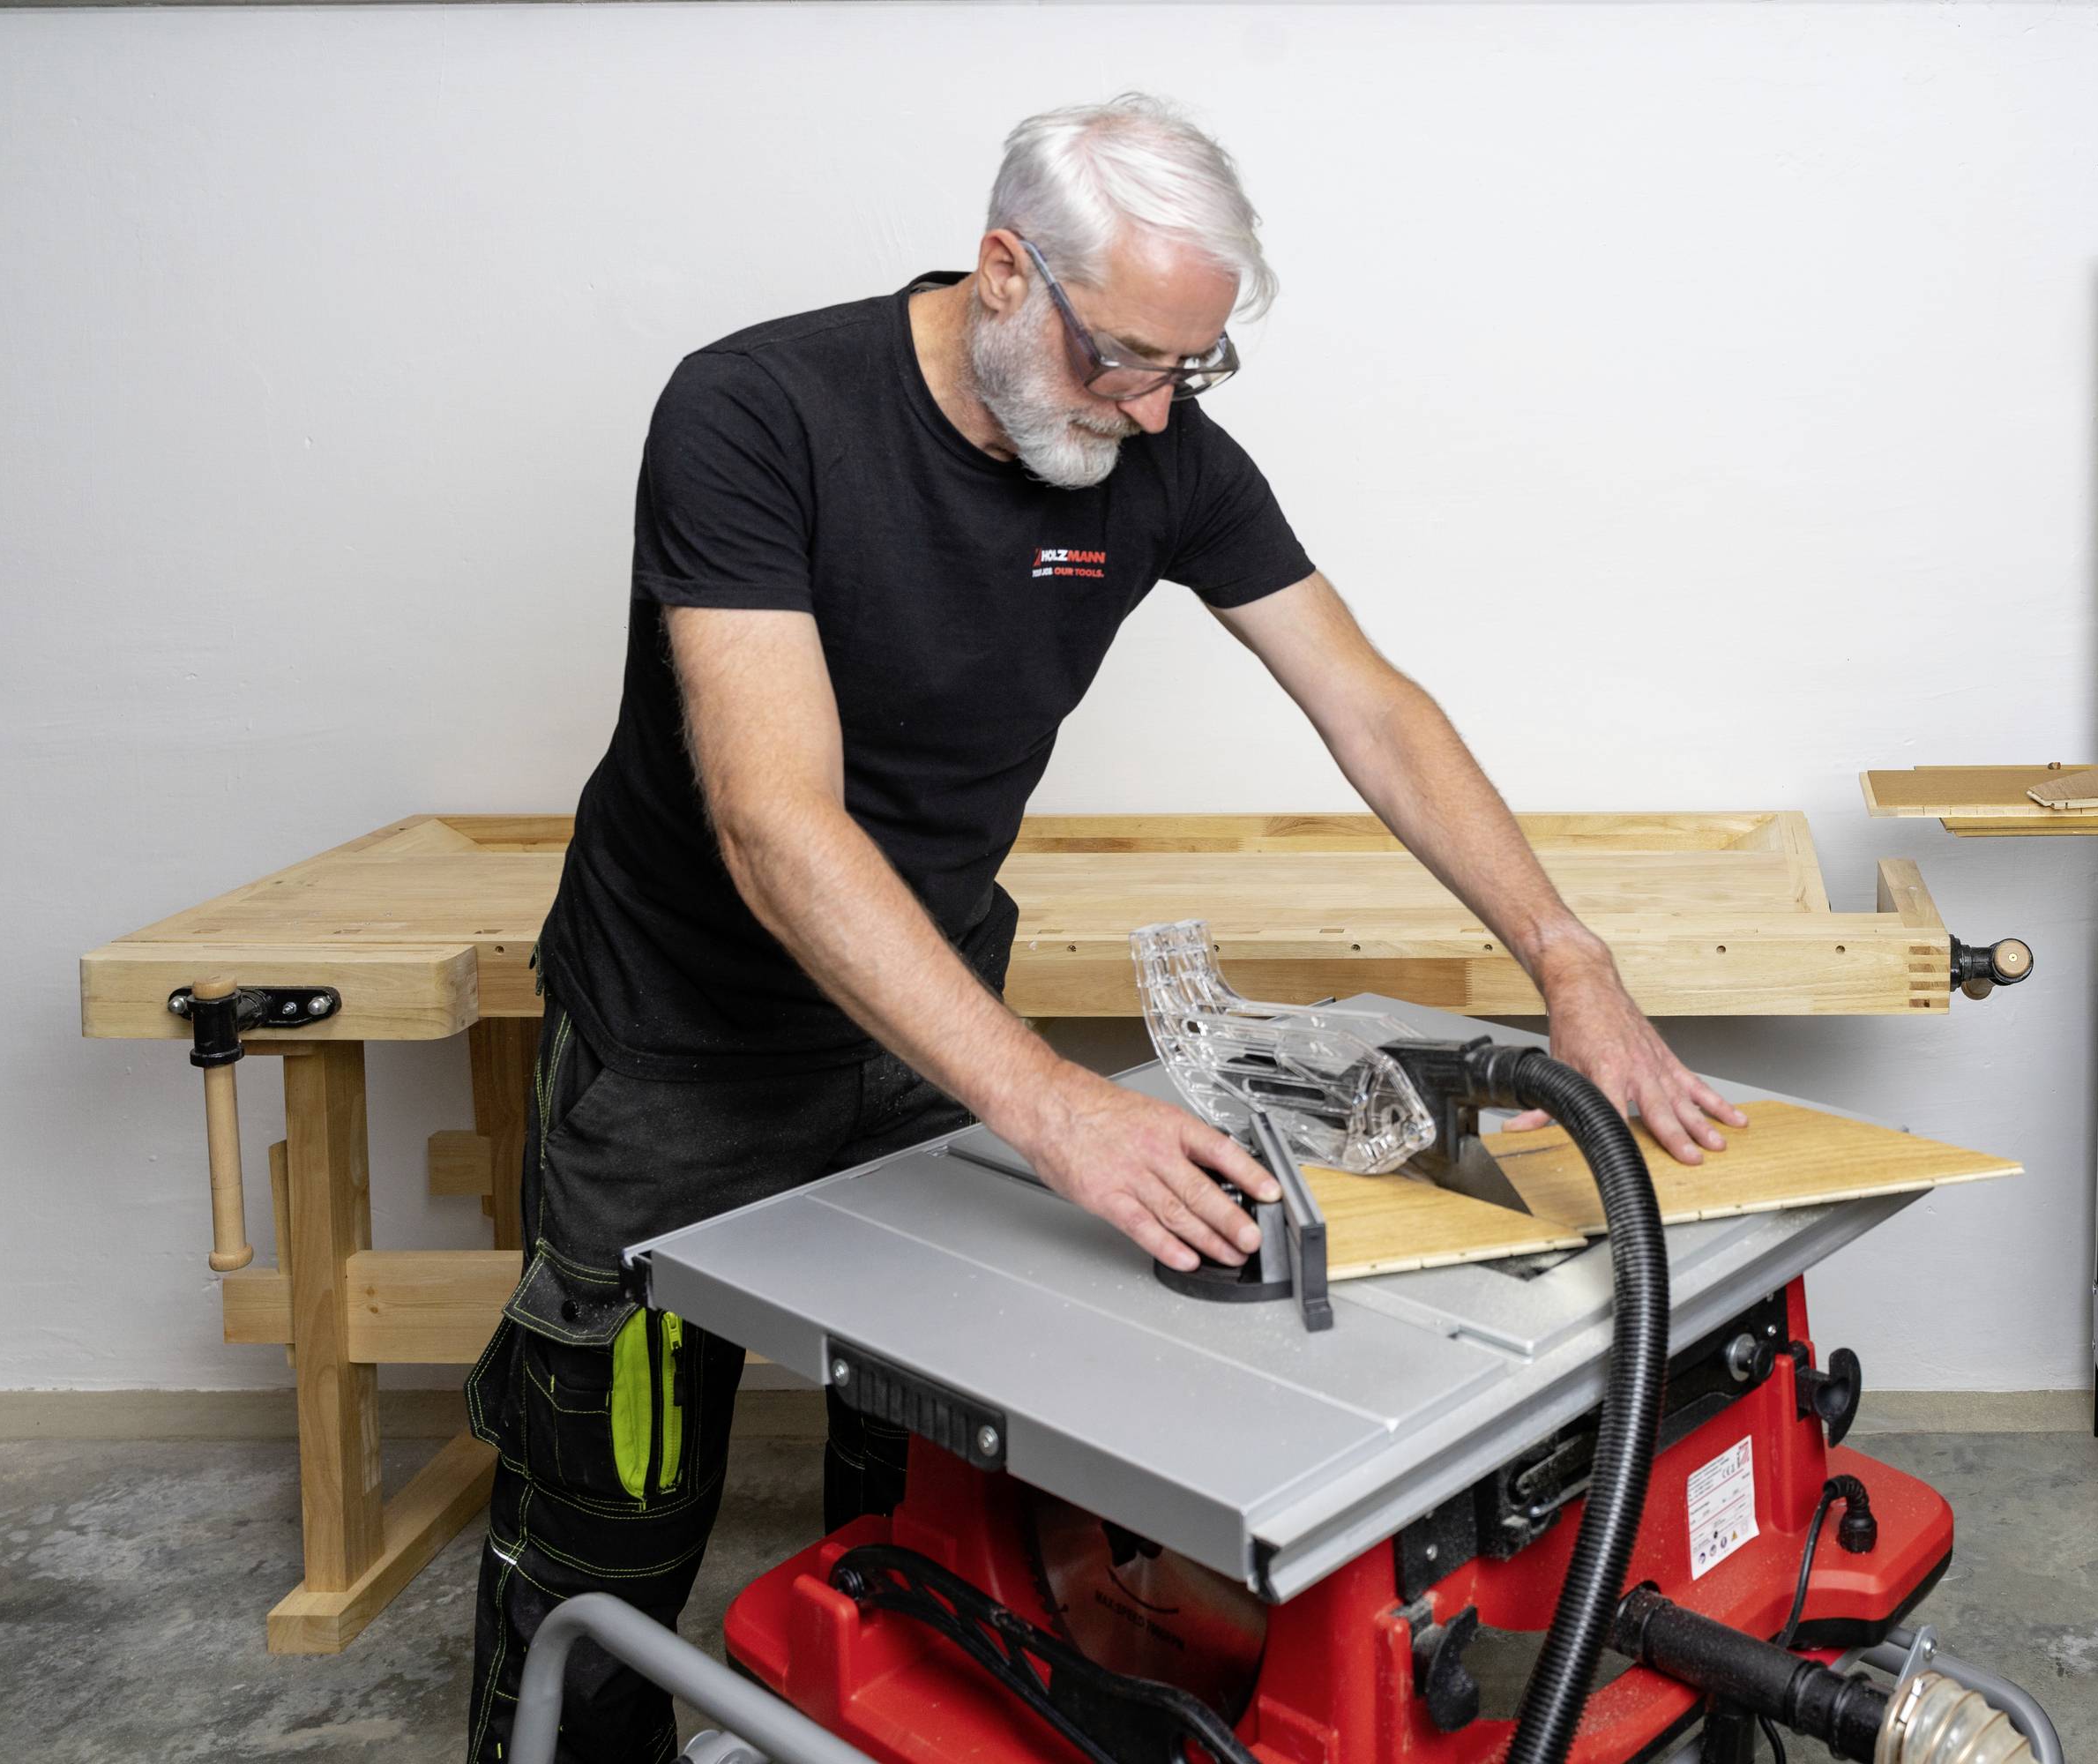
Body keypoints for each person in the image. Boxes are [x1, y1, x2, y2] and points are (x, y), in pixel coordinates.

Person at [465, 93, 1746, 1762]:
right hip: (674, 1049)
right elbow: (776, 831)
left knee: (924, 1511)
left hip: (931, 1032)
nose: (1147, 410)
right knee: (610, 1527)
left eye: (1184, 373)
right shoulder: (757, 411)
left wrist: (1568, 960)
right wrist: (1057, 1106)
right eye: (1120, 358)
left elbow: (1369, 705)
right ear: (1006, 271)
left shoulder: (1158, 456)